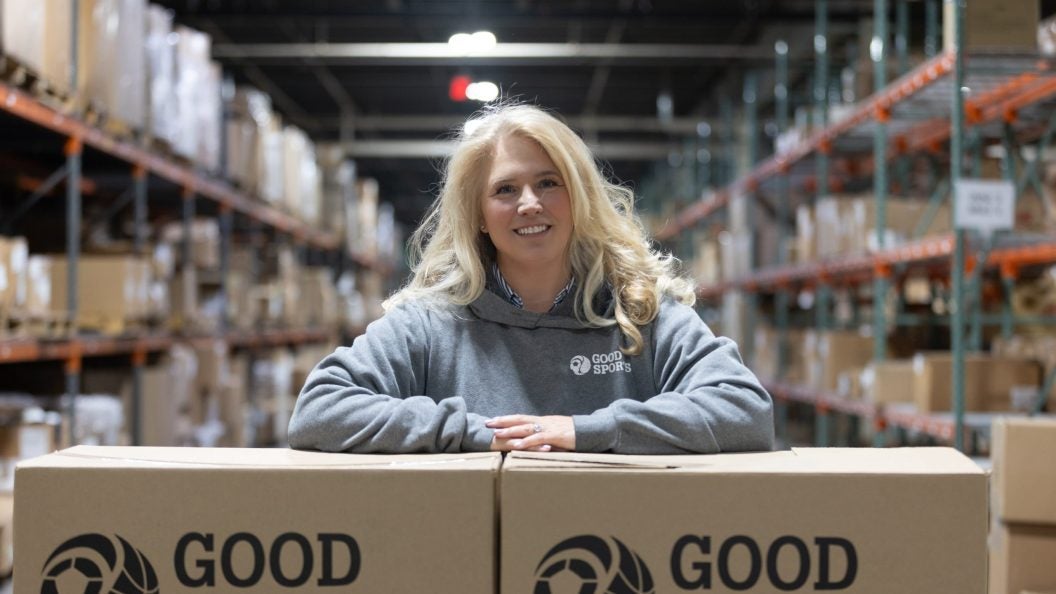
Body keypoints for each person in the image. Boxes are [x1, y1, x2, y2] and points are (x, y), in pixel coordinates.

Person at [288, 103, 774, 454]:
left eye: (548, 183)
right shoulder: (432, 323)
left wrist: (587, 430)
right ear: (478, 215)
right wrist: (478, 433)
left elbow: (745, 410)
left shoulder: (640, 312)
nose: (529, 204)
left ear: (578, 198)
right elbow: (320, 411)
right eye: (505, 189)